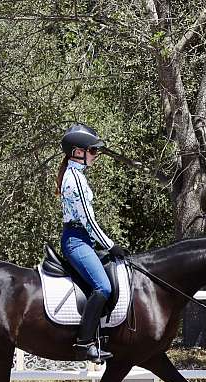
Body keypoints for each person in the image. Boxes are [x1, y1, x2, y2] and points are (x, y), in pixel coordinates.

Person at [57, 123, 128, 362]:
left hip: (84, 239)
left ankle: (104, 334)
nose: (96, 156)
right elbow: (87, 219)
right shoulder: (74, 179)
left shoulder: (77, 175)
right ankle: (83, 342)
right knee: (103, 287)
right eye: (93, 151)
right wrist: (110, 244)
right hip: (76, 240)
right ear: (78, 152)